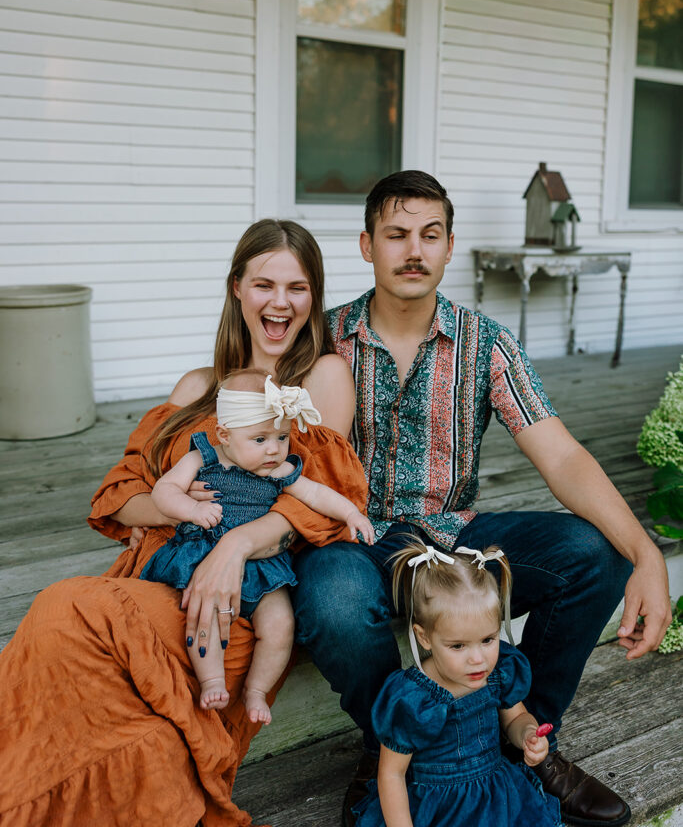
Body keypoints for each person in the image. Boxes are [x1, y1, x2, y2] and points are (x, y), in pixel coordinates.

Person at [292, 170, 672, 827]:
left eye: (429, 235)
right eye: (396, 234)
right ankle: (387, 746)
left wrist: (646, 555)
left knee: (593, 552)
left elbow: (559, 454)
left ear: (447, 245)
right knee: (331, 599)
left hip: (453, 540)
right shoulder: (321, 340)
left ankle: (524, 740)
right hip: (352, 536)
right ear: (366, 245)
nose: (413, 250)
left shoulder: (484, 342)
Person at [0, 219, 369, 827]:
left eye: (298, 288)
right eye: (264, 284)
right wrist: (176, 501)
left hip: (236, 598)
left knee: (64, 608)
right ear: (236, 290)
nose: (280, 302)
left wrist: (233, 547)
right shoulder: (196, 387)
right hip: (160, 571)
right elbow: (119, 496)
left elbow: (317, 497)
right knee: (64, 639)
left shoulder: (317, 380)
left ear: (314, 297)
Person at [141, 368, 373, 718]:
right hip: (204, 552)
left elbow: (316, 493)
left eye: (282, 437)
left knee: (280, 624)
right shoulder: (202, 457)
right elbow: (164, 491)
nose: (274, 449)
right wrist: (190, 509)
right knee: (204, 615)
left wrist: (351, 514)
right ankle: (213, 681)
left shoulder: (277, 470)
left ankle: (257, 690)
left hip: (263, 566)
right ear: (224, 434)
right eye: (260, 439)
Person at [353, 537, 562, 827]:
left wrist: (527, 735)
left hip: (496, 798)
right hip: (437, 808)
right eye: (458, 646)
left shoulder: (499, 671)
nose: (478, 659)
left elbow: (516, 718)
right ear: (424, 637)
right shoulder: (413, 699)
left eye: (488, 640)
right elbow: (392, 774)